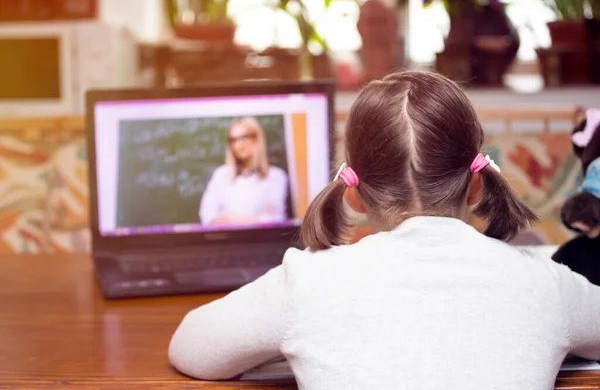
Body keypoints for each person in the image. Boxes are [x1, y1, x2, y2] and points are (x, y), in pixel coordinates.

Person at [170, 71, 600, 389]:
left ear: (353, 194)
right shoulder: (544, 284)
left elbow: (191, 347)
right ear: (476, 185)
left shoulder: (306, 282)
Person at [199, 116, 288, 225]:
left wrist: (229, 217)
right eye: (233, 140)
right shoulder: (221, 174)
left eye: (243, 137)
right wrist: (256, 219)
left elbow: (275, 220)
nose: (238, 145)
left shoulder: (276, 176)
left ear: (256, 139)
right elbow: (207, 216)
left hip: (262, 240)